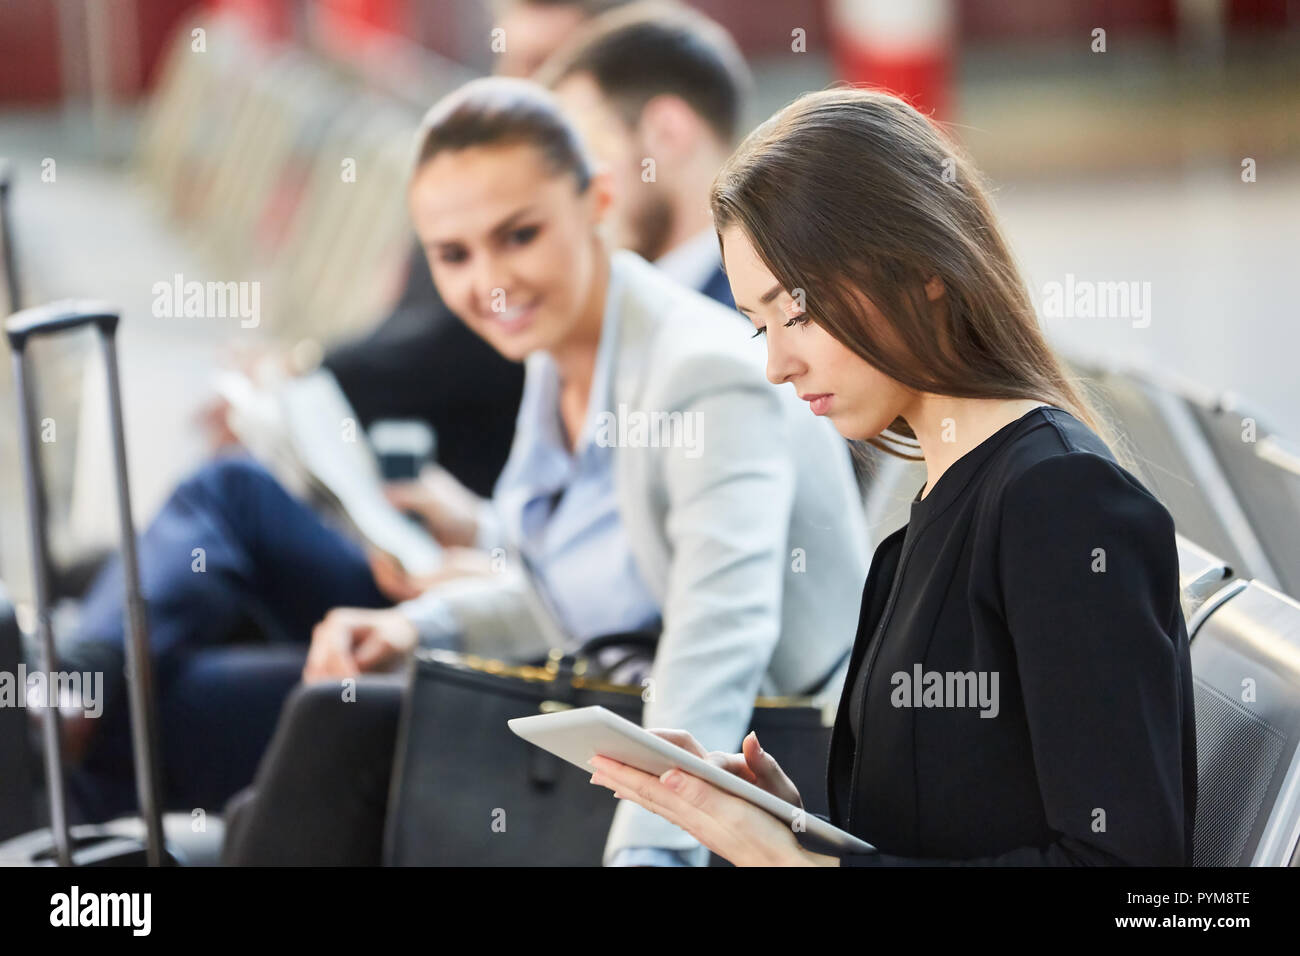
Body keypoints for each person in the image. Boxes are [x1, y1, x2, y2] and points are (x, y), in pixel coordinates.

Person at [58, 0, 754, 820]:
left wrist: (458, 594)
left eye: (574, 127)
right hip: (477, 600)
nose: (530, 118)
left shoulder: (718, 338)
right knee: (220, 528)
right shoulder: (577, 316)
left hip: (556, 691)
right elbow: (575, 541)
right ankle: (72, 690)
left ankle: (64, 726)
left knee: (189, 688)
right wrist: (475, 543)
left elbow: (675, 620)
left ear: (609, 182)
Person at [221, 77, 869, 867]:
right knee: (316, 746)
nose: (488, 282)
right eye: (454, 256)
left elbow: (718, 636)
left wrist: (653, 854)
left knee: (335, 742)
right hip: (613, 724)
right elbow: (569, 595)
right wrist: (414, 628)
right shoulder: (555, 361)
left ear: (597, 200)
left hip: (765, 762)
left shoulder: (698, 372)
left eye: (518, 236)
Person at [587, 87, 1198, 867]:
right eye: (758, 325)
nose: (776, 364)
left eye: (797, 312)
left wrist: (805, 865)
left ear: (922, 267)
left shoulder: (1062, 503)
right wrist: (793, 822)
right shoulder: (936, 513)